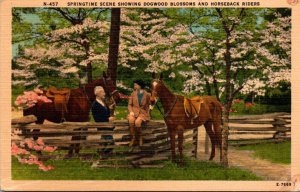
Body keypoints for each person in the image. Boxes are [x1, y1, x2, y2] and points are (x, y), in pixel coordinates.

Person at [91, 86, 115, 158]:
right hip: (103, 127)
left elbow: (105, 112)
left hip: (107, 126)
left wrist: (109, 108)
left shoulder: (103, 102)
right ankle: (103, 155)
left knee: (104, 141)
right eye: (103, 92)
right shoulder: (95, 105)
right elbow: (97, 118)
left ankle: (101, 152)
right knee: (111, 142)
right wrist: (108, 119)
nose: (104, 94)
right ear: (98, 94)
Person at [127, 79, 151, 147]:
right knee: (131, 120)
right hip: (134, 112)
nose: (134, 86)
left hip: (143, 113)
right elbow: (129, 105)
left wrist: (148, 113)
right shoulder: (133, 93)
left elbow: (149, 105)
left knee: (137, 122)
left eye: (135, 85)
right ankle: (133, 138)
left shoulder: (147, 94)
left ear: (140, 86)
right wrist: (131, 111)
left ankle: (140, 138)